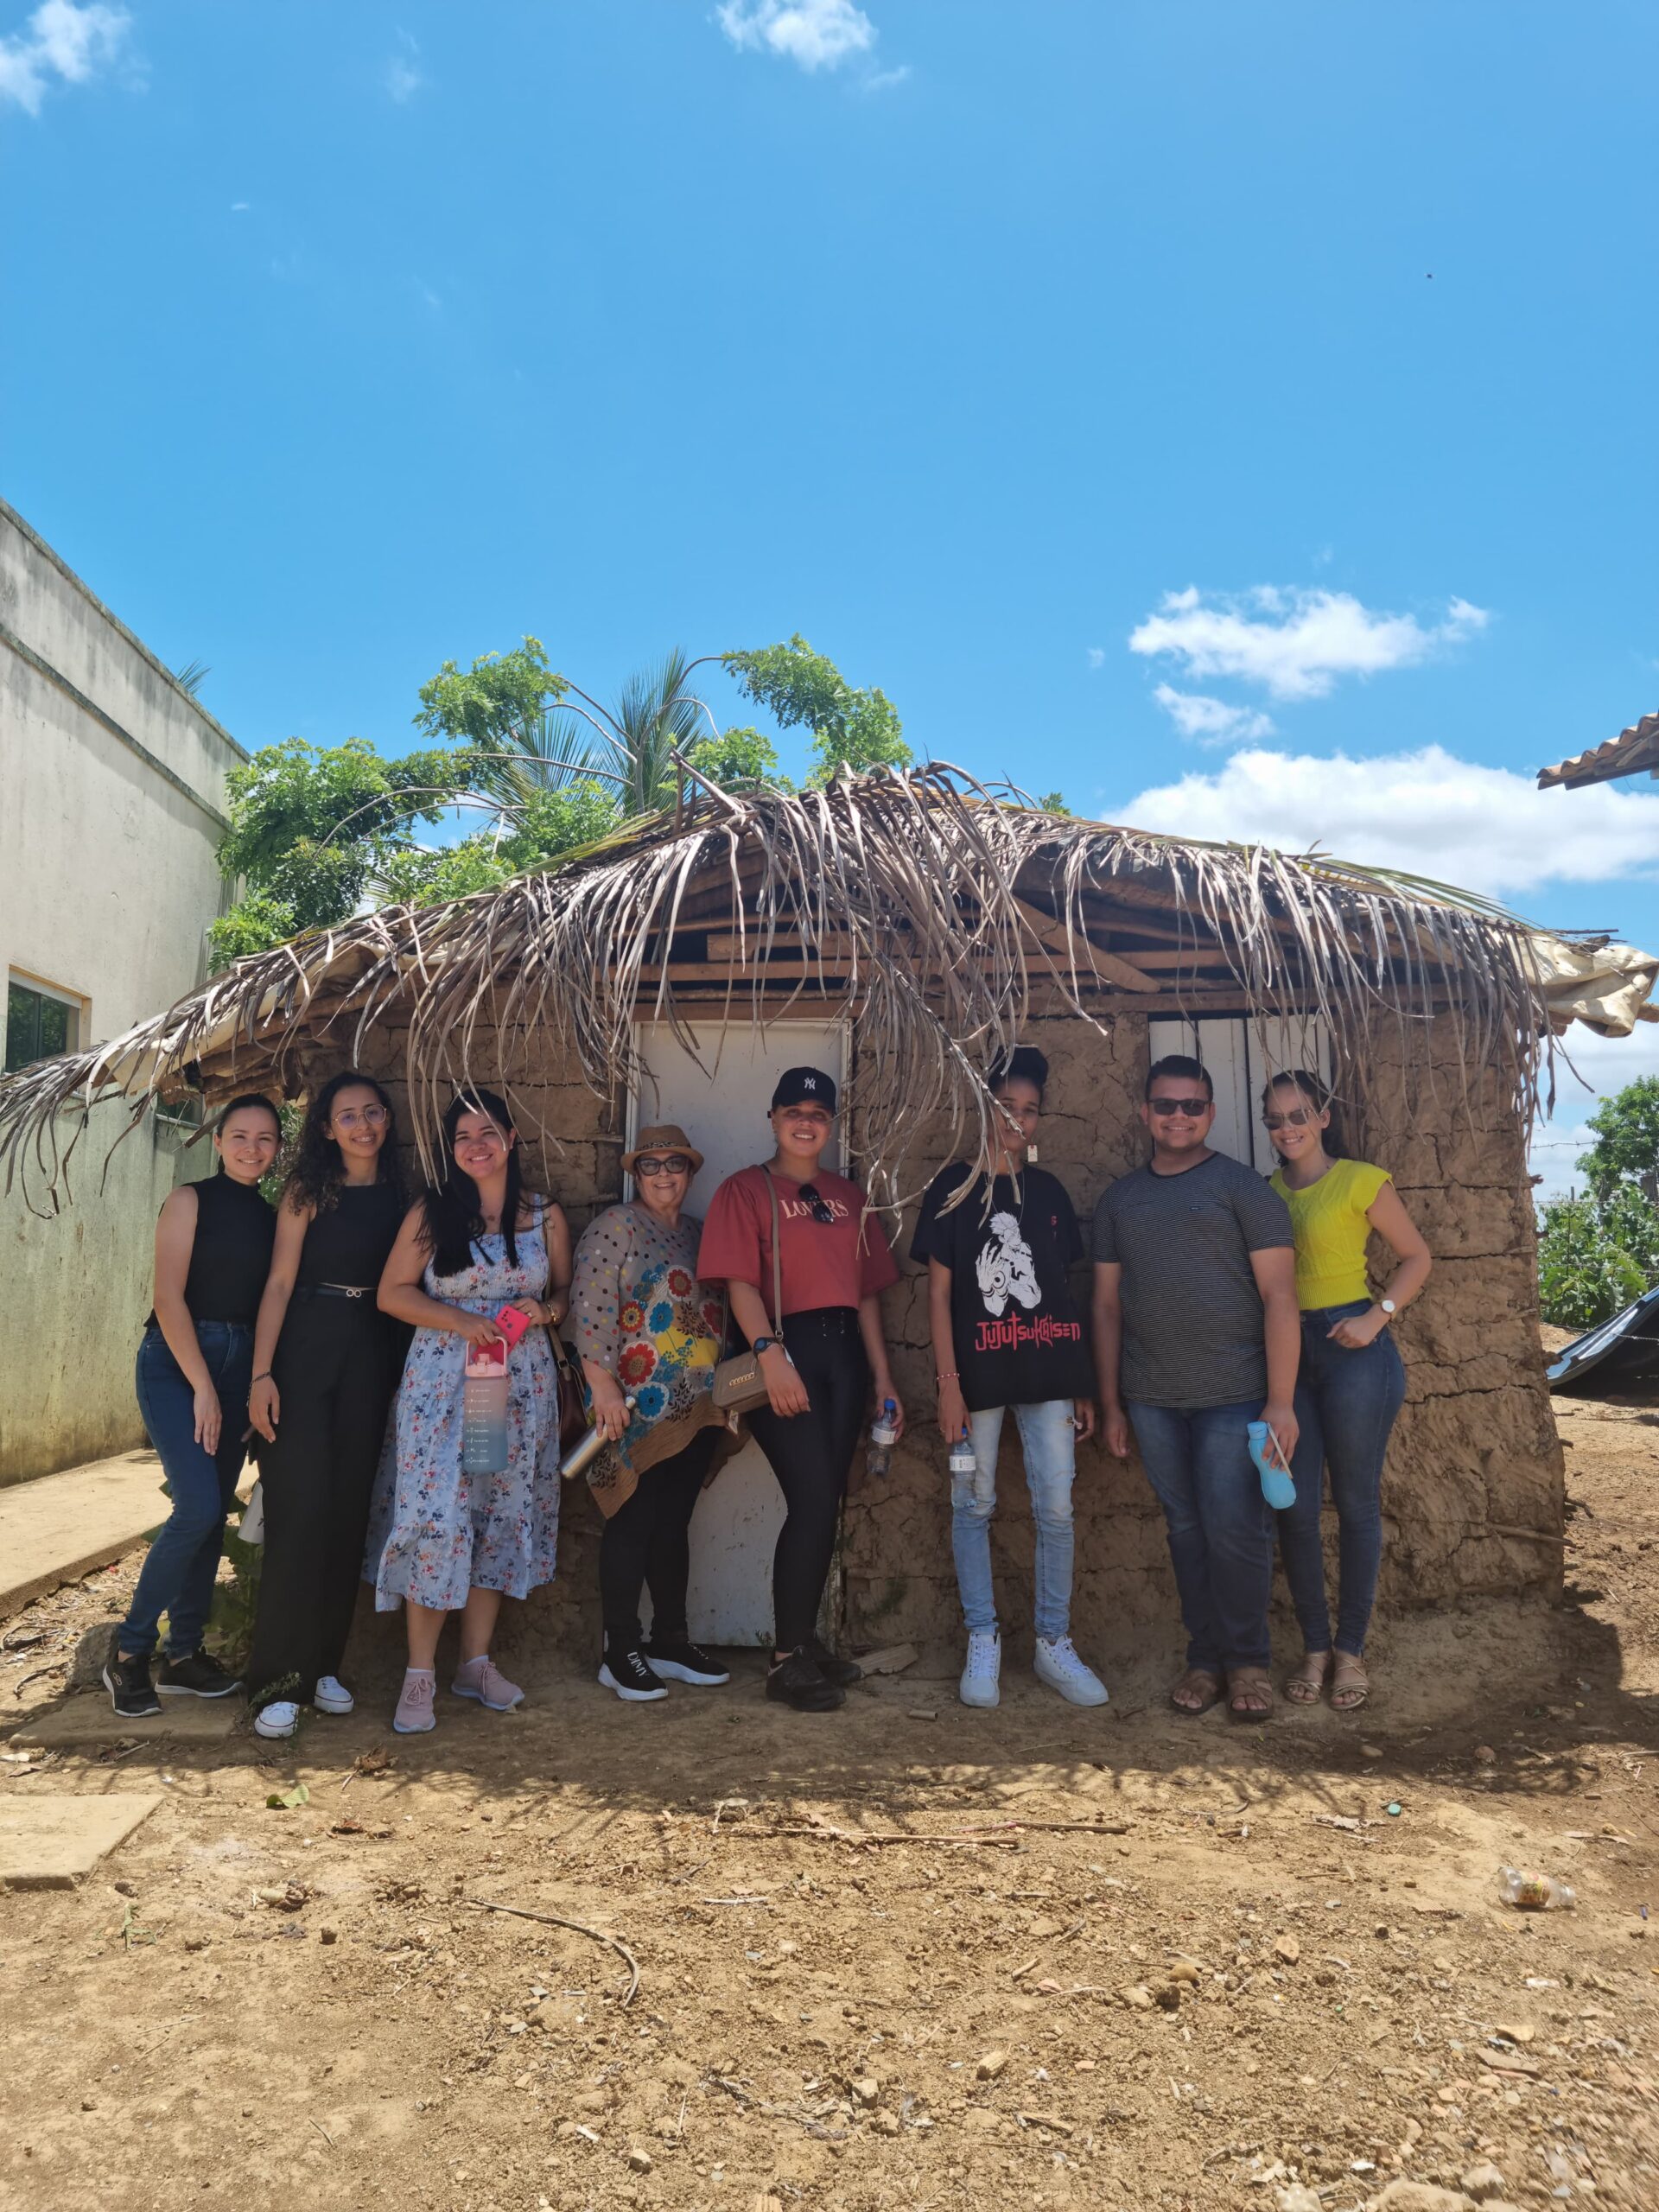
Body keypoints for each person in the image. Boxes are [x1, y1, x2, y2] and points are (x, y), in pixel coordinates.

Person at [1091, 1053, 1300, 1723]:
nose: (1177, 1116)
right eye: (1164, 1105)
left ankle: (1248, 1662)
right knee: (1185, 1529)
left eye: (1191, 1105)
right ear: (1145, 1112)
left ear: (1209, 1113)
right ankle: (1204, 1658)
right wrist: (1112, 1402)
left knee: (1235, 1530)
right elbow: (1105, 1307)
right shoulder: (1120, 1199)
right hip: (1152, 1398)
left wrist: (1280, 1400)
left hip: (1234, 1396)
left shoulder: (1243, 1190)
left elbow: (1279, 1296)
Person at [366, 1089, 572, 1735]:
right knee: (438, 1514)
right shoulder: (433, 1213)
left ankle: (474, 1664)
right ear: (450, 1150)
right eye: (462, 1136)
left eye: (488, 1131)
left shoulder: (545, 1216)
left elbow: (563, 1290)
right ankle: (419, 1673)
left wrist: (548, 1312)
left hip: (514, 1390)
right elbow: (391, 1294)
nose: (475, 1145)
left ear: (511, 1138)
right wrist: (462, 1321)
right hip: (446, 1389)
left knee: (497, 1513)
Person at [696, 1067, 902, 1713]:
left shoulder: (848, 1195)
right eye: (793, 1110)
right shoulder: (745, 1190)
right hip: (784, 1349)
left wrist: (884, 1378)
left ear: (832, 1124)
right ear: (773, 1117)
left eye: (818, 1112)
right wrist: (769, 1356)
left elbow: (867, 1294)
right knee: (811, 1498)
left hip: (844, 1355)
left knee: (828, 1502)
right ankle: (786, 1659)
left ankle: (805, 1642)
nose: (805, 1122)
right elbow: (739, 1284)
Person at [912, 1046, 1105, 1710]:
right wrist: (947, 1384)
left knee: (1056, 1506)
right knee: (974, 1503)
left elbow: (1062, 1294)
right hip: (977, 1381)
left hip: (1049, 1374)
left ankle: (1053, 1643)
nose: (1017, 1121)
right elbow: (939, 1298)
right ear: (984, 1110)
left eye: (1029, 1112)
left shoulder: (1048, 1194)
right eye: (1005, 1108)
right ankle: (983, 1637)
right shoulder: (952, 1191)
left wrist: (1079, 1380)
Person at [102, 1096, 282, 1719]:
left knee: (213, 1513)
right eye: (239, 1135)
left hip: (238, 1369)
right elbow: (167, 1296)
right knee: (198, 1505)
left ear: (278, 1148)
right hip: (178, 1364)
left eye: (265, 1138)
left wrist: (256, 1380)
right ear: (219, 1141)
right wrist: (203, 1384)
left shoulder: (272, 1217)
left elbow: (271, 1305)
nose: (251, 1148)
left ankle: (183, 1655)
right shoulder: (189, 1200)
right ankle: (127, 1654)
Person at [245, 1071, 409, 1740]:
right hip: (304, 1350)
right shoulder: (308, 1189)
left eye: (373, 1112)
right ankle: (277, 1682)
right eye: (348, 1116)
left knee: (347, 1512)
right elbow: (279, 1282)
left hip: (372, 1353)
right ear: (325, 1128)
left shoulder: (404, 1197)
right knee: (299, 1511)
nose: (363, 1125)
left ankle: (322, 1669)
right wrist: (261, 1374)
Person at [1262, 1070, 1432, 1713]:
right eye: (1275, 1119)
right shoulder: (1266, 1193)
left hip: (1354, 1349)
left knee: (1357, 1504)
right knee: (1295, 1508)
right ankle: (1314, 1646)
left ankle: (1351, 1650)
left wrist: (1376, 1314)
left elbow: (1417, 1256)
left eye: (1299, 1113)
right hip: (1288, 1355)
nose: (1288, 1128)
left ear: (1324, 1116)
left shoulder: (1362, 1180)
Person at [571, 1123, 728, 1702]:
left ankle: (670, 1639)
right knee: (632, 1519)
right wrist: (602, 1387)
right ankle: (620, 1649)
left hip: (693, 1406)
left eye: (675, 1164)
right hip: (631, 1405)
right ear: (635, 1175)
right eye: (651, 1165)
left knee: (672, 1521)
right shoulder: (616, 1227)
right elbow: (590, 1310)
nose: (664, 1175)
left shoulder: (695, 1232)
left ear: (690, 1173)